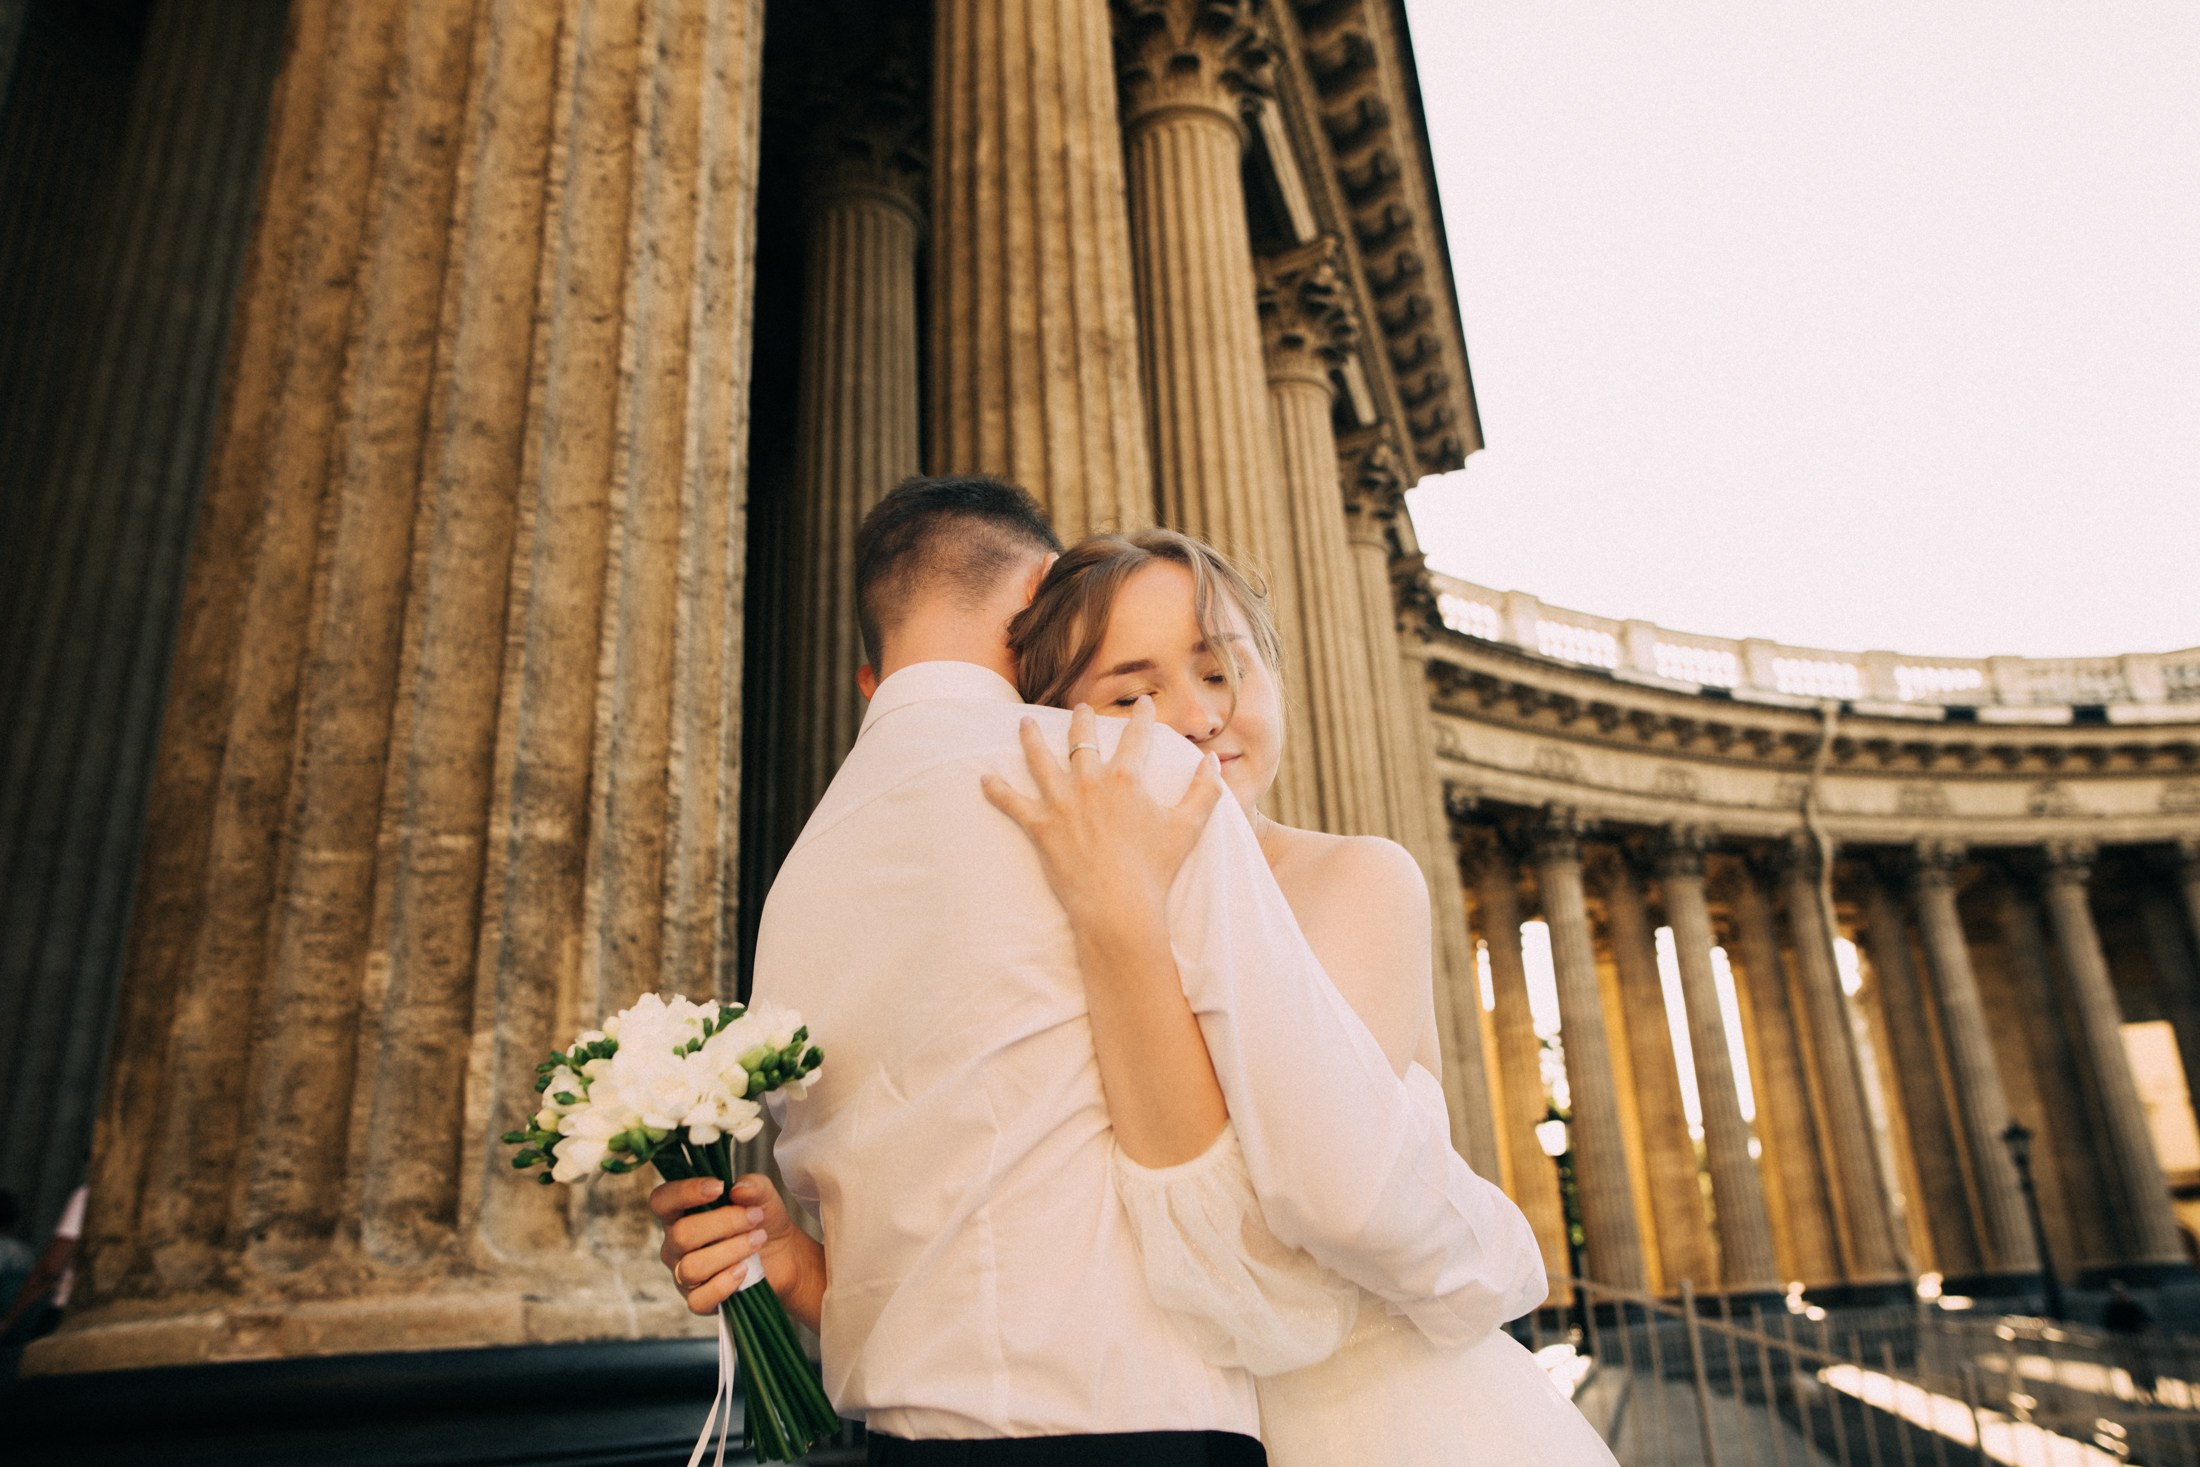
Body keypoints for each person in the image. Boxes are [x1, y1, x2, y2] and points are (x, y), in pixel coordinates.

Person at [653, 477, 1544, 1465]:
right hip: (1171, 1417)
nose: (1190, 719)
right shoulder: (1118, 791)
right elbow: (1331, 1193)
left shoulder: (800, 881)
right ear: (1045, 637)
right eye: (1128, 691)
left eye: (1219, 669)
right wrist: (1499, 1263)